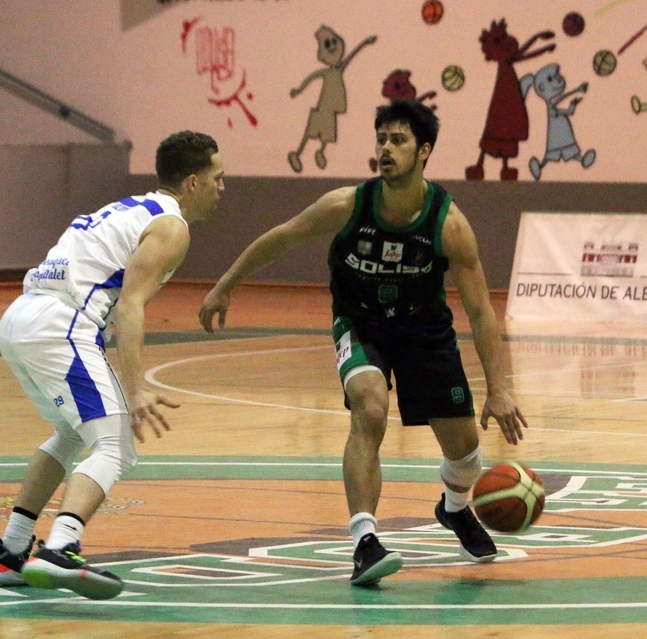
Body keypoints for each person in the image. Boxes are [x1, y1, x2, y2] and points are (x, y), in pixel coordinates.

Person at [199, 100, 527, 587]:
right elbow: (282, 237)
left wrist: (499, 388)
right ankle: (364, 541)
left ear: (424, 151)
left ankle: (454, 508)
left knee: (465, 450)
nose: (386, 149)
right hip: (361, 325)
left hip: (424, 331)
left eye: (398, 141)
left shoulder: (448, 223)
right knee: (370, 409)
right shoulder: (348, 204)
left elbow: (481, 310)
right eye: (381, 140)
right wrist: (226, 283)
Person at [0, 131, 225, 600]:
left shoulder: (132, 208)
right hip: (61, 326)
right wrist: (136, 390)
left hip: (20, 320)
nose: (223, 187)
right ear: (193, 182)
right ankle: (60, 547)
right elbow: (132, 306)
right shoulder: (172, 227)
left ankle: (11, 552)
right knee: (116, 445)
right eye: (219, 178)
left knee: (73, 433)